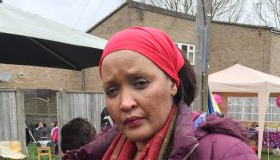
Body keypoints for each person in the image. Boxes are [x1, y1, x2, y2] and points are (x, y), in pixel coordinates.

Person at [63, 27, 258, 159]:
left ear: (173, 83)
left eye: (140, 83)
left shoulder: (224, 153)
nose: (124, 103)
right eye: (112, 90)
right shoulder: (97, 152)